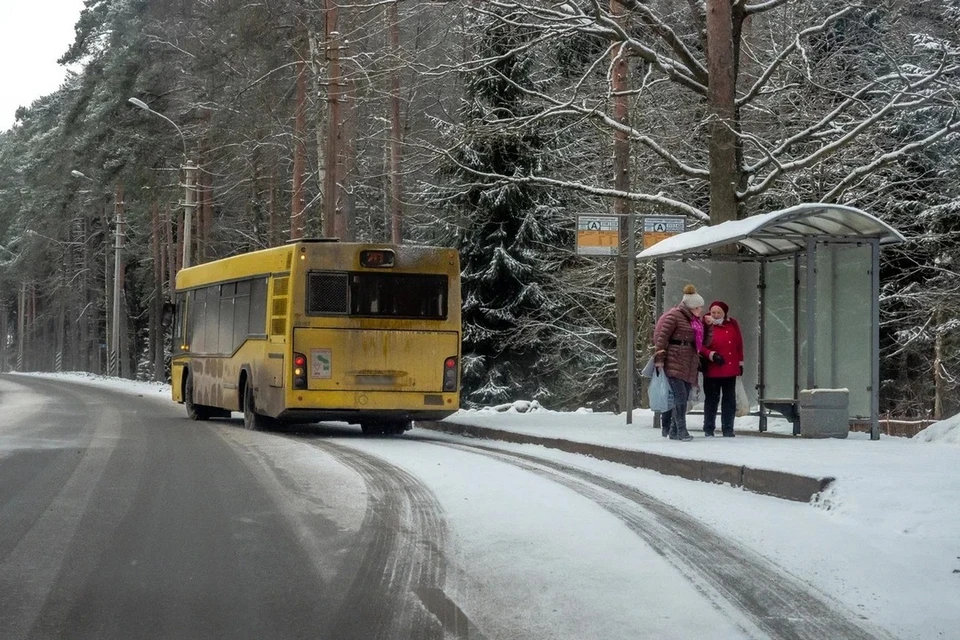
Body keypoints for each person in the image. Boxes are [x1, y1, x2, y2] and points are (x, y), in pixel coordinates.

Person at [652, 284, 713, 441]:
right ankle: (681, 430)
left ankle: (673, 430)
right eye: (698, 307)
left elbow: (704, 342)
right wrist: (659, 360)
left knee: (684, 396)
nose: (701, 310)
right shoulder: (674, 316)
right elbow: (662, 338)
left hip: (689, 362)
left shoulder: (696, 321)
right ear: (691, 306)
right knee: (680, 395)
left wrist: (708, 326)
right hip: (674, 359)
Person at [700, 300, 744, 437]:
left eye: (719, 312)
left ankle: (728, 428)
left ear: (724, 313)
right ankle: (708, 428)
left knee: (729, 400)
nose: (716, 315)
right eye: (713, 312)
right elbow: (699, 344)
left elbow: (739, 343)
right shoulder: (706, 324)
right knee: (712, 399)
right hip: (713, 367)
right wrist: (711, 355)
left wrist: (740, 363)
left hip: (730, 367)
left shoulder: (732, 323)